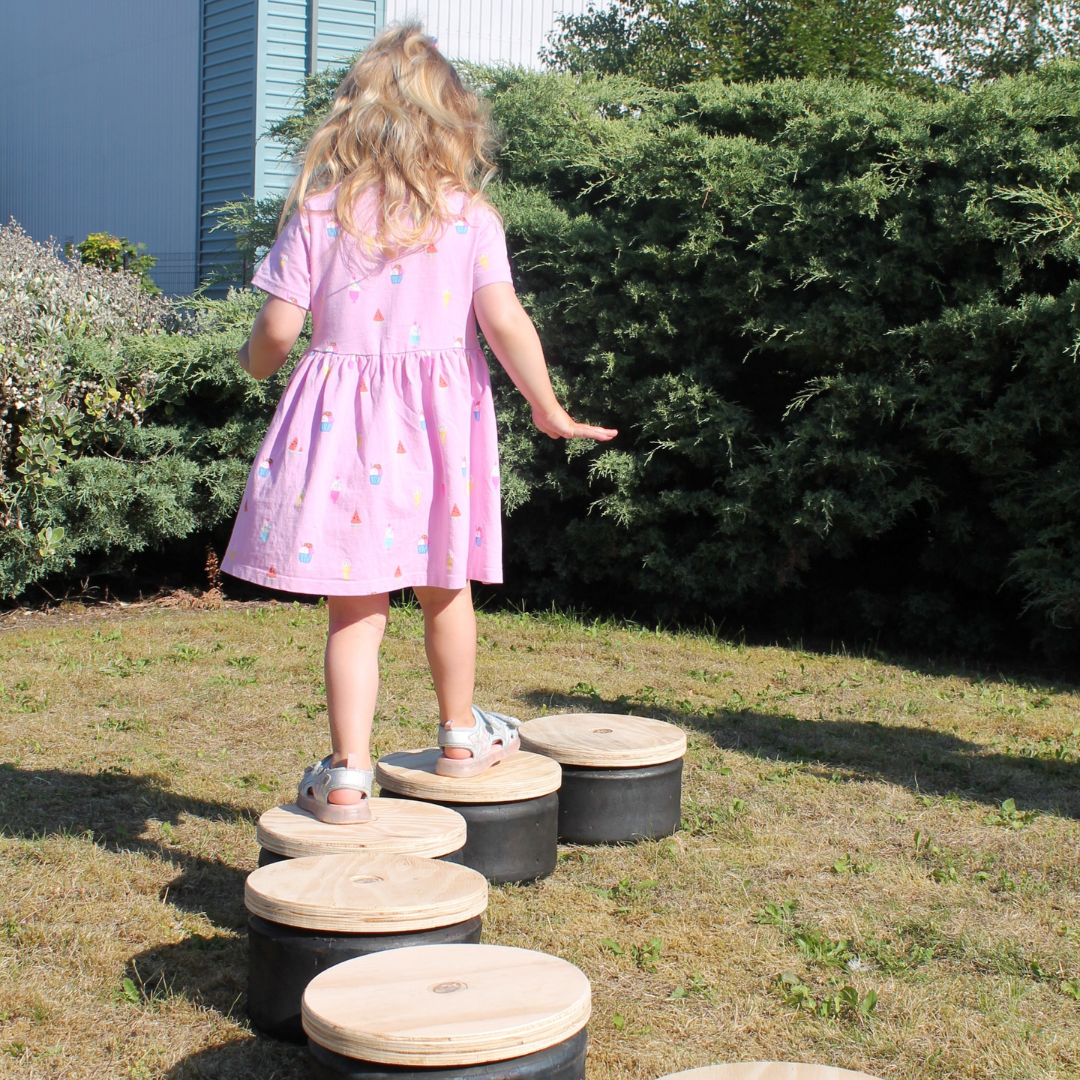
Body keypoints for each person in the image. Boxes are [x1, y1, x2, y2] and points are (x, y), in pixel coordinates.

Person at [222, 23, 616, 823]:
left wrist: (253, 365)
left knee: (355, 610)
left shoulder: (320, 214)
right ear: (453, 123)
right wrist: (547, 407)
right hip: (439, 429)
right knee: (446, 587)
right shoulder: (469, 218)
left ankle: (346, 776)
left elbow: (277, 330)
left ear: (353, 117)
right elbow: (504, 321)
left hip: (343, 432)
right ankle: (461, 737)